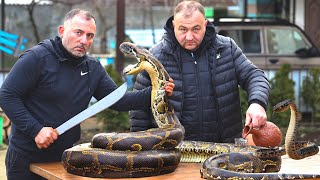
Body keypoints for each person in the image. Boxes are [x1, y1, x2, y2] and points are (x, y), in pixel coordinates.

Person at [0, 9, 174, 180]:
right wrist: (35, 130)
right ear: (62, 31)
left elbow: (119, 101)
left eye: (90, 36)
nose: (84, 40)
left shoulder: (92, 68)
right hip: (25, 159)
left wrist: (157, 92)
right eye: (78, 32)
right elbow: (6, 95)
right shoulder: (37, 58)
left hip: (64, 158)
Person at [130, 1, 270, 143]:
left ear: (205, 24)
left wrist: (257, 103)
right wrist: (141, 145)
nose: (189, 37)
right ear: (174, 26)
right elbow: (138, 106)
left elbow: (255, 76)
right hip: (174, 150)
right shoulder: (157, 56)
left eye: (196, 29)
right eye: (183, 29)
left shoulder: (226, 48)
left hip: (224, 149)